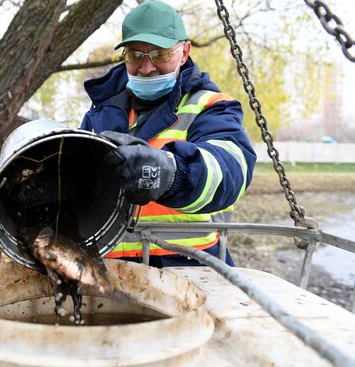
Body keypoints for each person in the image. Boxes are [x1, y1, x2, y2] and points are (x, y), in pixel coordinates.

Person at [80, 1, 256, 267]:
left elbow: (232, 170)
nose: (147, 68)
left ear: (184, 52)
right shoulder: (99, 115)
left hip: (192, 275)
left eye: (160, 54)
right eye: (135, 55)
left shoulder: (211, 106)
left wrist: (171, 173)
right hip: (111, 278)